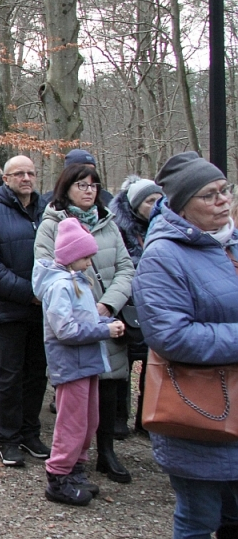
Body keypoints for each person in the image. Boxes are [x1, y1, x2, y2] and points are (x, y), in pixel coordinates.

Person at [130, 152, 238, 539]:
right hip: (199, 407)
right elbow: (171, 336)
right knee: (198, 512)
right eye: (208, 195)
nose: (222, 201)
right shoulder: (162, 257)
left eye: (225, 190)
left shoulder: (231, 244)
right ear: (179, 205)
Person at [34, 163, 135, 483]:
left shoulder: (109, 222)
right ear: (67, 188)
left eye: (94, 185)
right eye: (81, 185)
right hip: (79, 332)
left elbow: (125, 267)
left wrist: (108, 305)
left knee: (101, 398)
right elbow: (47, 280)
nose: (89, 190)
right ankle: (66, 469)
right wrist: (93, 317)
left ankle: (102, 452)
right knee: (75, 412)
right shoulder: (53, 227)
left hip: (104, 318)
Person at [33, 218, 125, 506]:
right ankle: (58, 474)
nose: (90, 262)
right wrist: (103, 330)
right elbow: (65, 329)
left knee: (88, 420)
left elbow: (84, 319)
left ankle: (77, 469)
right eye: (86, 256)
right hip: (71, 365)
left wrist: (105, 321)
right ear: (73, 256)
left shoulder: (79, 282)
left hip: (88, 363)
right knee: (71, 423)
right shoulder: (60, 286)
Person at [0, 155, 51, 467]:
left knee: (36, 375)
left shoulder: (48, 211)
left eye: (31, 173)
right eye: (19, 174)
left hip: (44, 310)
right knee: (9, 376)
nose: (26, 178)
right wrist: (28, 294)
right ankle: (8, 438)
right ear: (6, 179)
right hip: (8, 309)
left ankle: (31, 432)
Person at [108, 176, 162, 435]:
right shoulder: (117, 227)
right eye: (150, 200)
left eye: (158, 200)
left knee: (153, 364)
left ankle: (147, 417)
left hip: (157, 303)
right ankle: (120, 417)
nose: (155, 205)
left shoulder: (163, 227)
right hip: (125, 303)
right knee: (123, 363)